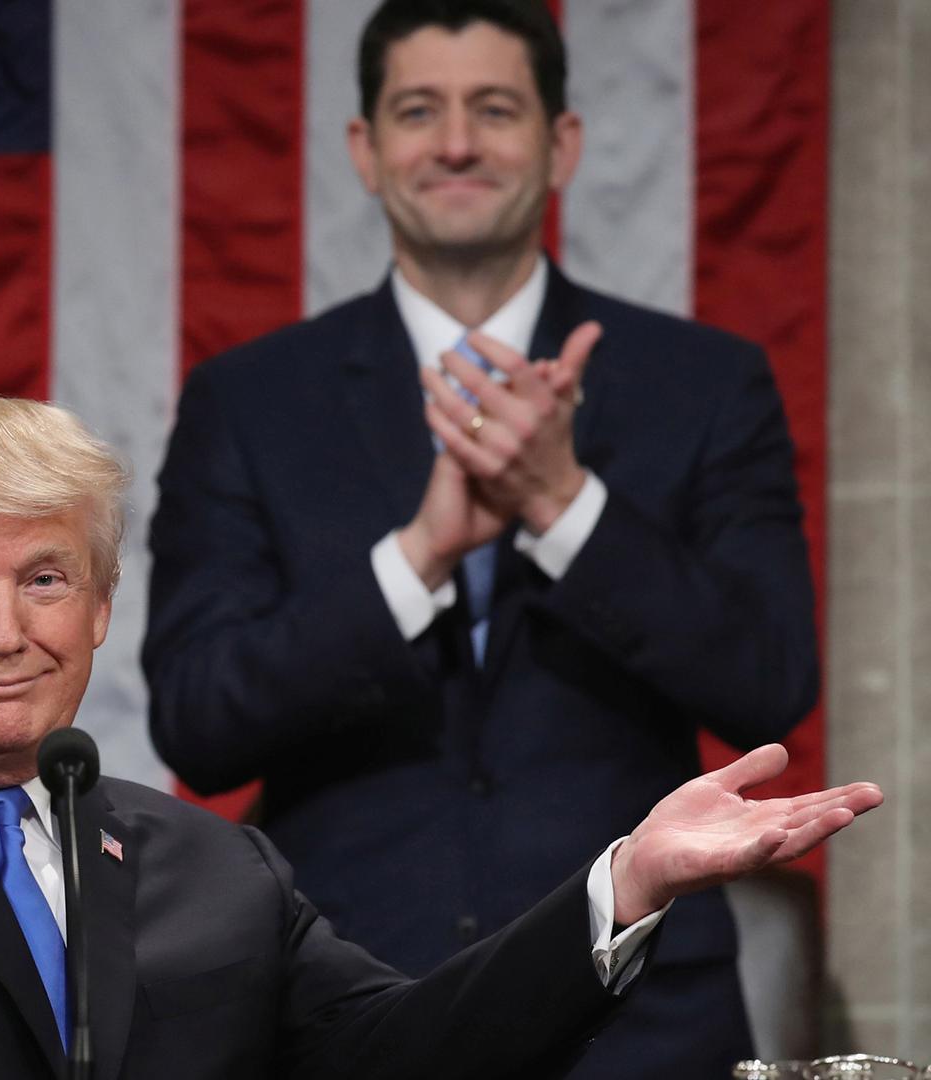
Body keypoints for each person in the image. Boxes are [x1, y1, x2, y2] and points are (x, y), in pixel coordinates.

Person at [0, 398, 874, 1079]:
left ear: (105, 608)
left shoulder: (218, 872)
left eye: (47, 579)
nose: (6, 629)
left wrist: (628, 879)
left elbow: (410, 1055)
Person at [142, 0, 819, 1073]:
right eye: (420, 110)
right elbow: (198, 718)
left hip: (639, 1023)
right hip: (349, 1008)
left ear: (562, 144)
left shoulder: (702, 382)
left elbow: (770, 680)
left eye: (495, 109)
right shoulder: (251, 400)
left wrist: (562, 502)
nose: (456, 142)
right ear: (366, 150)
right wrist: (418, 557)